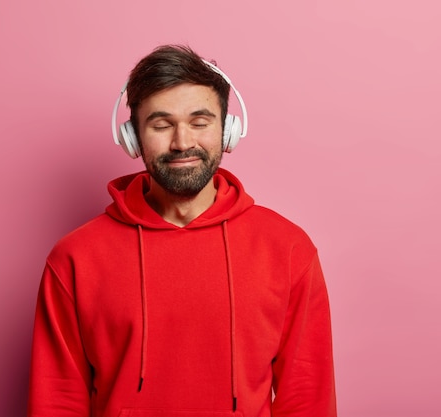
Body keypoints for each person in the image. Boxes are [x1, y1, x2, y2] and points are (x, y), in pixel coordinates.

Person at [28, 44, 336, 417]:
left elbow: (307, 398)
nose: (183, 142)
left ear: (228, 130)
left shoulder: (288, 250)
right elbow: (57, 401)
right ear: (133, 138)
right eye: (161, 125)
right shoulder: (74, 258)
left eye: (200, 122)